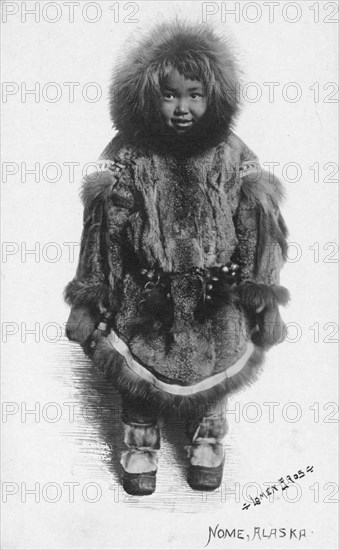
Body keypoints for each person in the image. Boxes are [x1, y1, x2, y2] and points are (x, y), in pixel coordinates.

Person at [65, 21, 289, 496]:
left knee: (215, 374)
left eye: (195, 94)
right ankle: (140, 444)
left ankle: (208, 440)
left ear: (215, 96)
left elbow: (257, 226)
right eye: (170, 95)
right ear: (149, 96)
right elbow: (103, 231)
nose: (183, 107)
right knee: (137, 374)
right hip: (147, 295)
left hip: (216, 294)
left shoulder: (232, 154)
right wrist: (93, 293)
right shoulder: (128, 154)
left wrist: (261, 290)